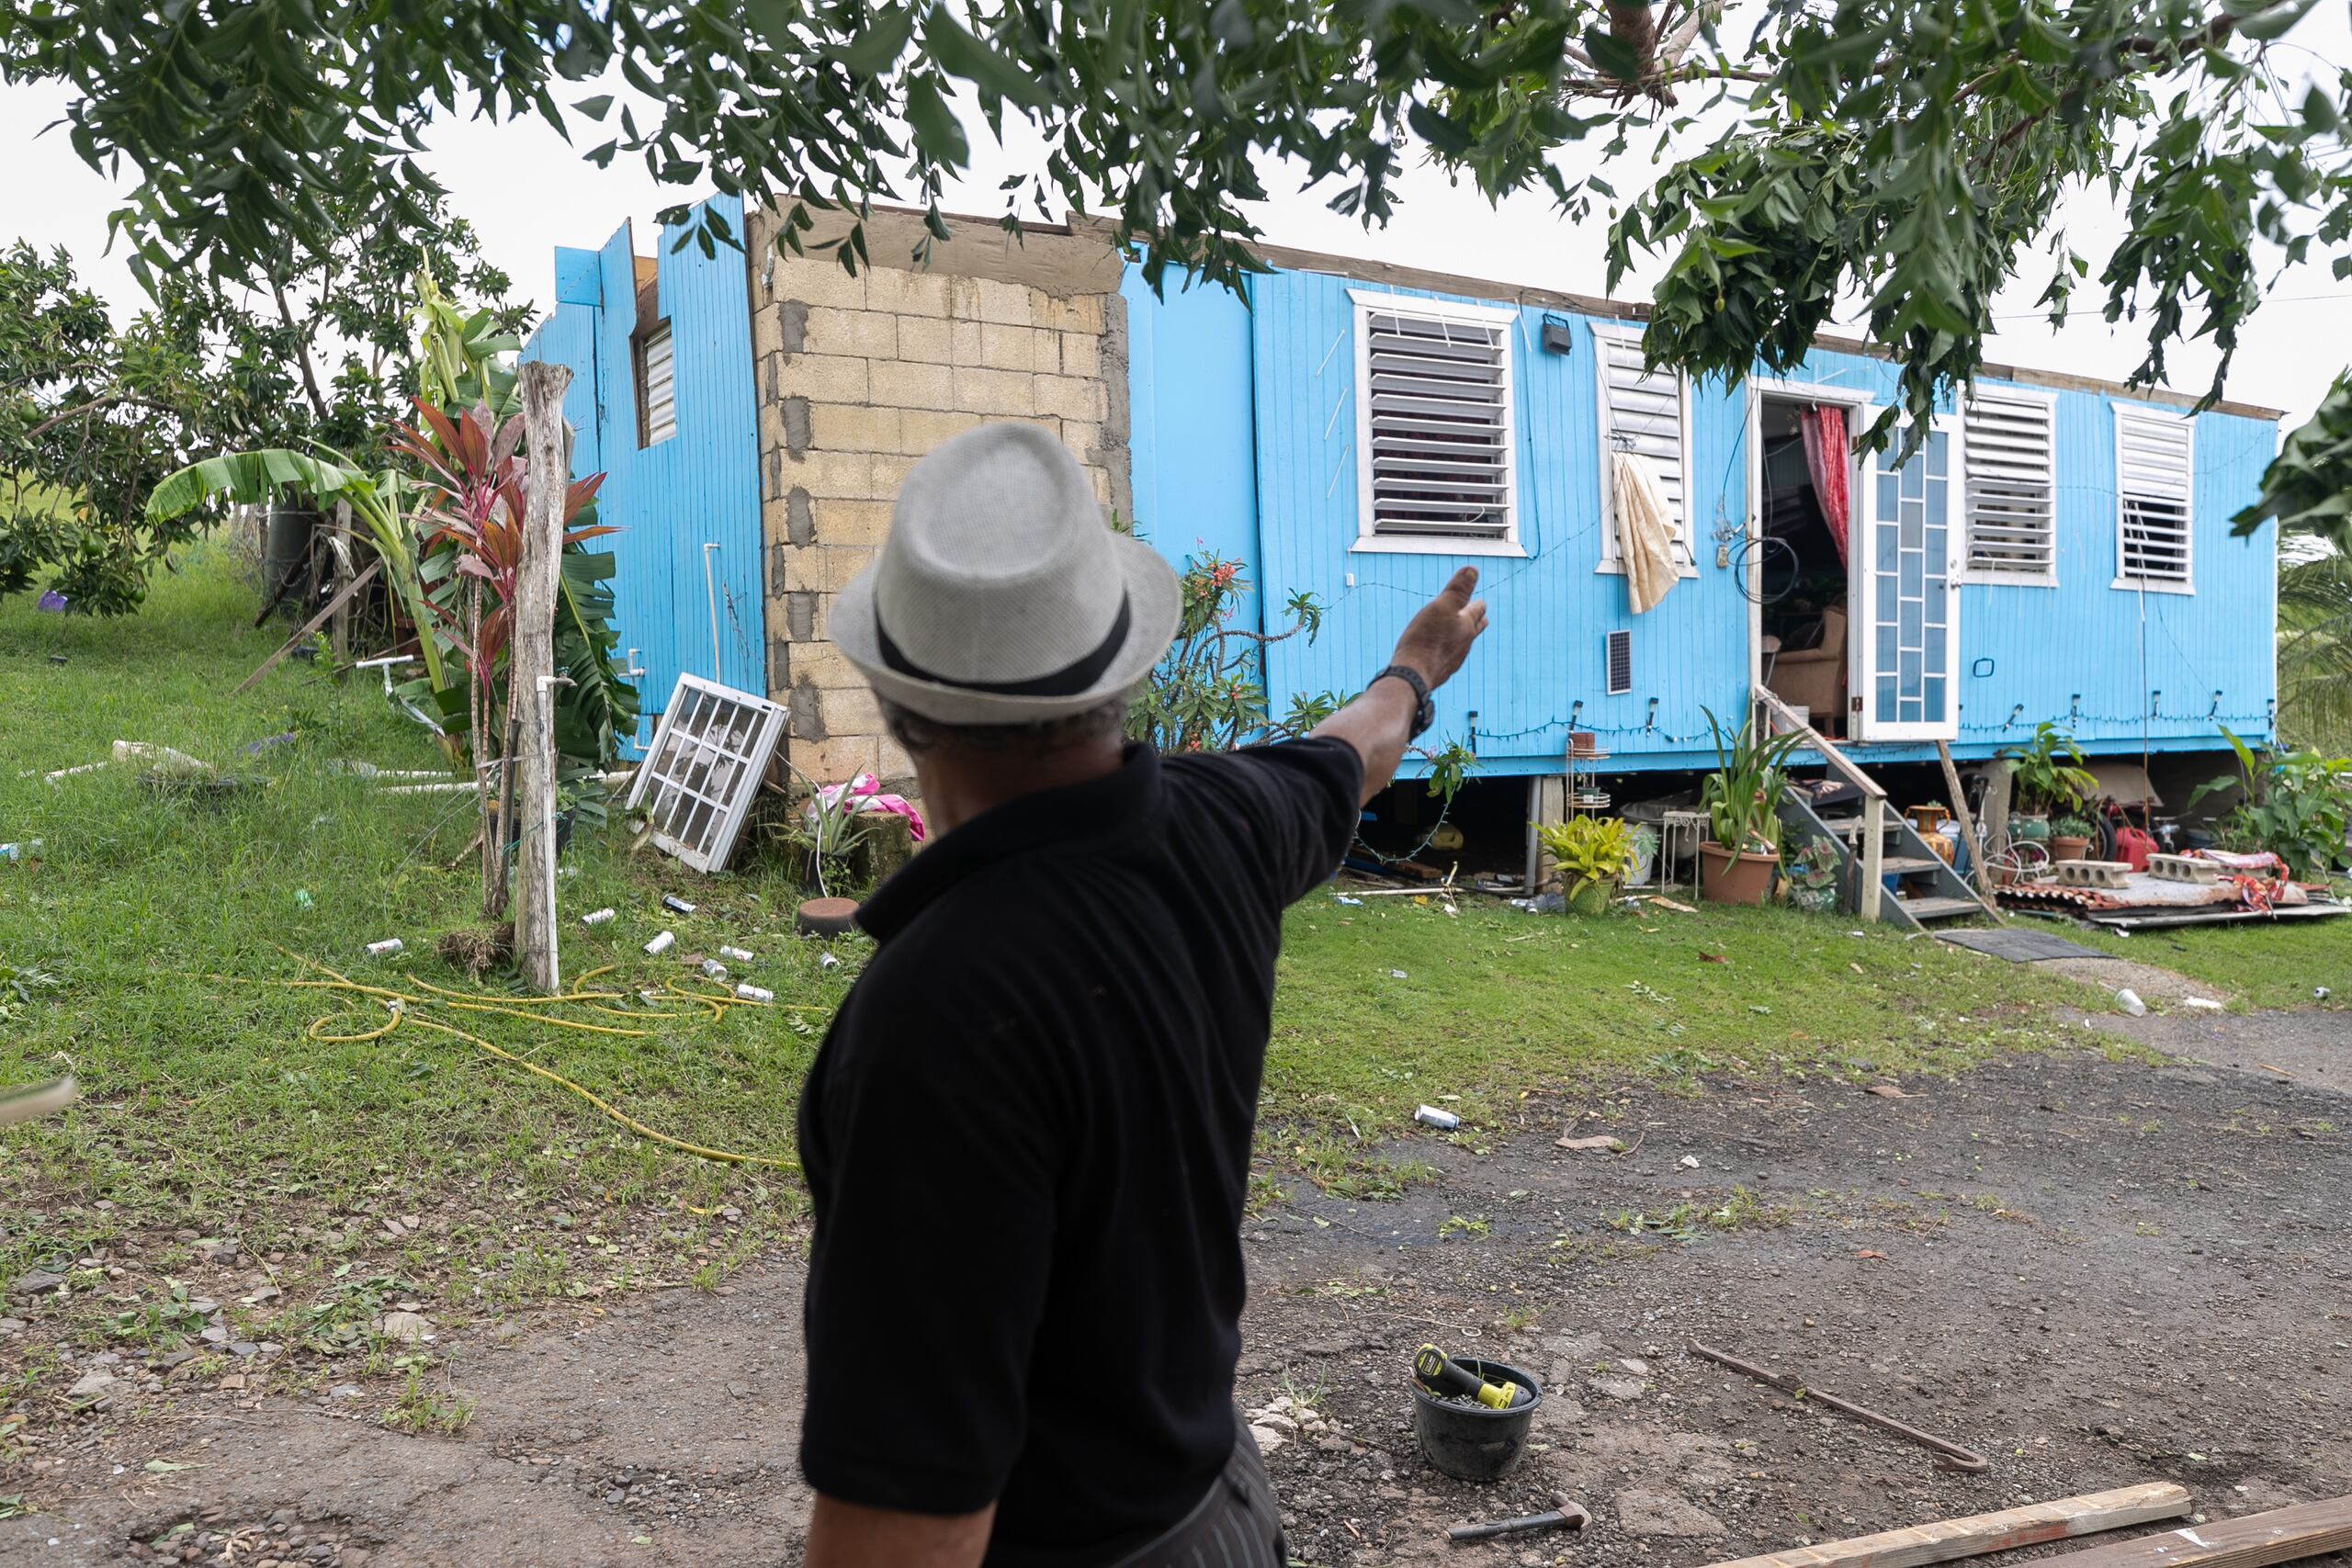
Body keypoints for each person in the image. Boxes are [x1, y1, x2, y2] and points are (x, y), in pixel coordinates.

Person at [797, 423, 1489, 1568]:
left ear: (899, 707)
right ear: (1122, 661)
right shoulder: (1225, 822)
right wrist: (1413, 671)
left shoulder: (937, 1020)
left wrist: (1405, 679)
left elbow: (906, 1533)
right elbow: (1355, 751)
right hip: (1218, 1512)